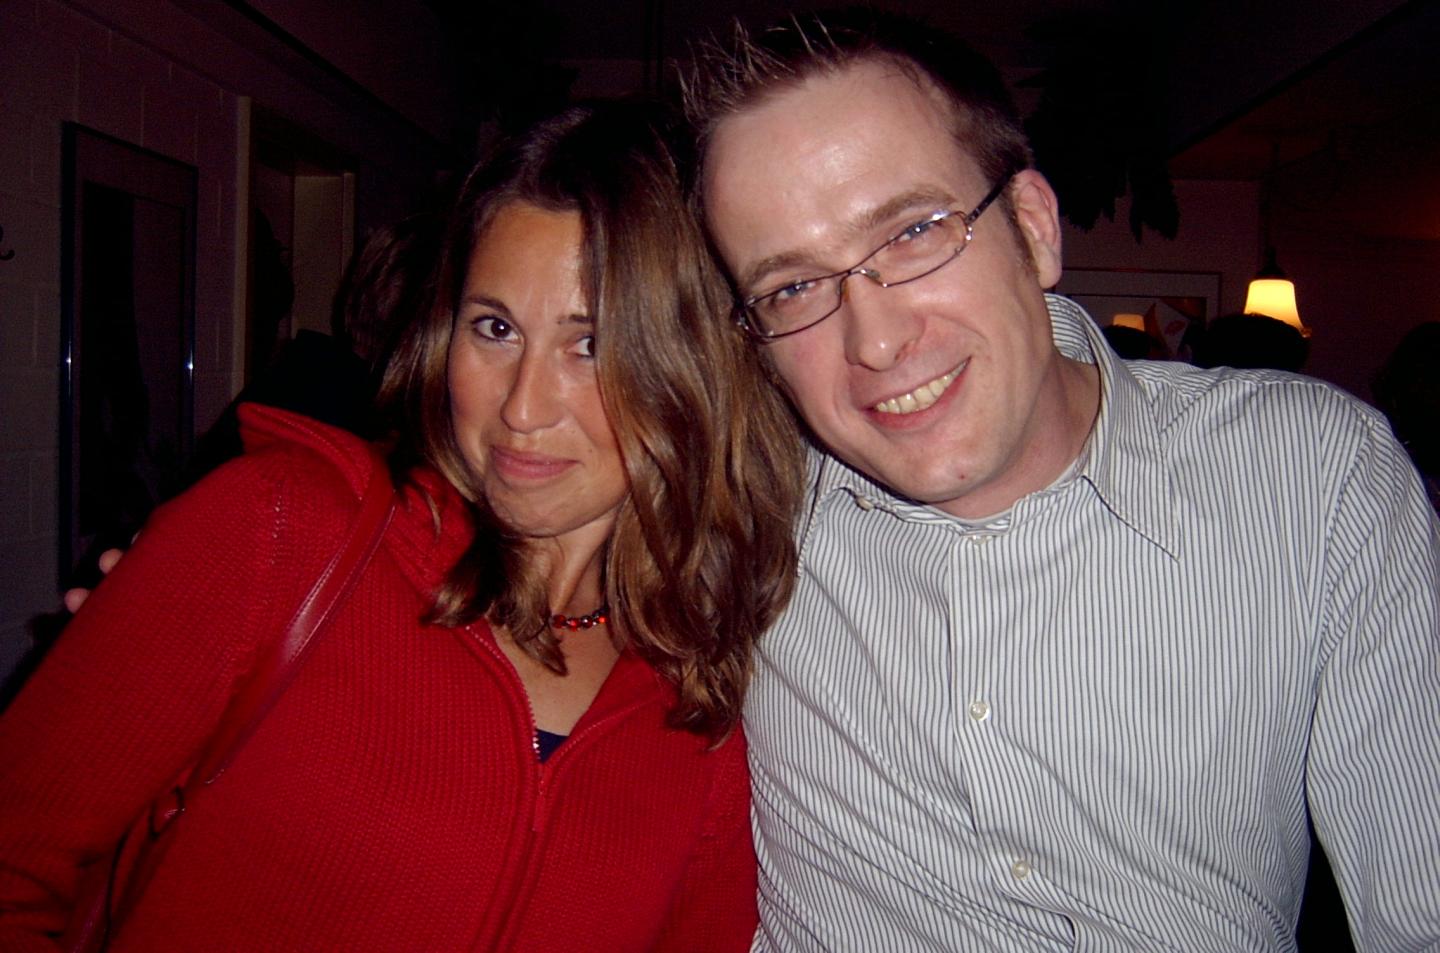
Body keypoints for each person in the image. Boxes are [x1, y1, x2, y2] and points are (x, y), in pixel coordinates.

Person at [683, 10, 1440, 951]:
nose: (874, 341)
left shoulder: (1313, 477)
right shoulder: (740, 510)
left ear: (1035, 228)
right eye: (792, 287)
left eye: (914, 232)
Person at [0, 102, 804, 951]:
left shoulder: (701, 708)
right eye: (495, 328)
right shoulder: (279, 531)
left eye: (591, 344)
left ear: (693, 371)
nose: (521, 408)